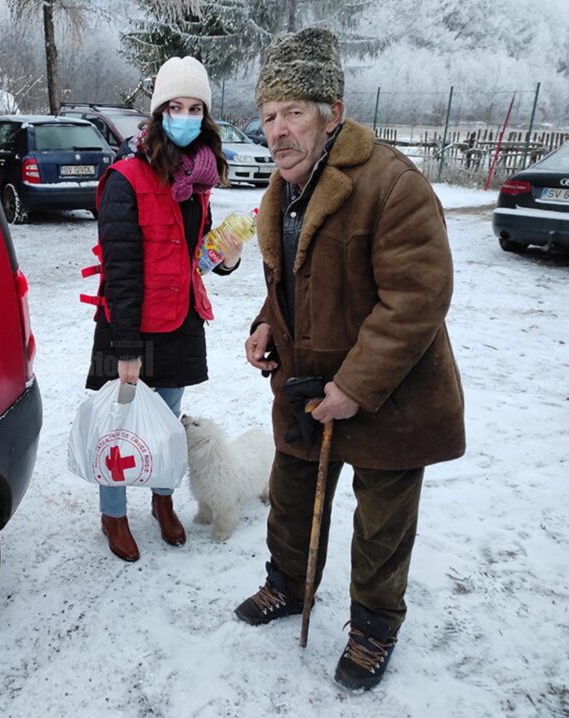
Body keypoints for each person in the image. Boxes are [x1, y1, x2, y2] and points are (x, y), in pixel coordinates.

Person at [236, 27, 465, 690]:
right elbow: (295, 283)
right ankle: (289, 585)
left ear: (333, 112)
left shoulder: (390, 184)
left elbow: (418, 299)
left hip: (392, 394)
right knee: (291, 497)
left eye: (294, 113)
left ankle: (372, 629)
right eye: (269, 115)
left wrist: (355, 386)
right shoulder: (282, 190)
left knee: (382, 524)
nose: (278, 130)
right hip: (309, 386)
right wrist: (264, 328)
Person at [83, 56, 242, 562]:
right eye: (175, 106)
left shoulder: (198, 181)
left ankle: (162, 501)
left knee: (168, 425)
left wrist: (226, 259)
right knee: (120, 429)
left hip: (180, 322)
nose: (186, 116)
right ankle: (113, 513)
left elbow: (192, 257)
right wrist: (126, 350)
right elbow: (122, 272)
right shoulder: (125, 180)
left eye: (196, 108)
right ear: (157, 113)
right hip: (128, 326)